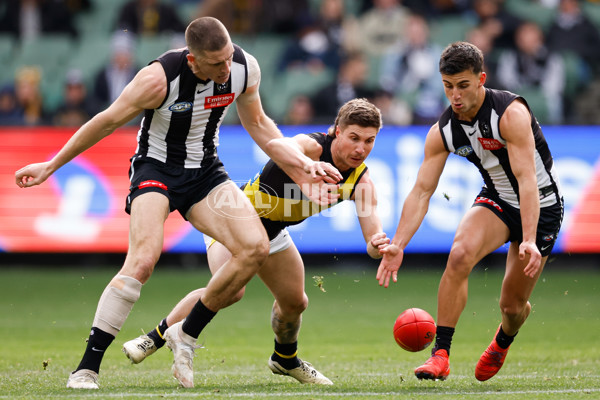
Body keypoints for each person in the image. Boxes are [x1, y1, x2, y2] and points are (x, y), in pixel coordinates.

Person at [15, 17, 341, 390]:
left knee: (255, 247)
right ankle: (86, 368)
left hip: (205, 173)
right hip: (156, 171)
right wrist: (51, 164)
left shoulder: (243, 67)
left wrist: (304, 164)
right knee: (143, 260)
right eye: (215, 63)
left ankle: (184, 335)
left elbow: (262, 127)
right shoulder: (157, 79)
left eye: (228, 57)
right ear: (193, 61)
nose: (225, 68)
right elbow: (105, 122)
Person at [121, 98, 389, 388]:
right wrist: (307, 166)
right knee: (232, 290)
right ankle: (155, 338)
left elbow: (372, 239)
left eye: (369, 141)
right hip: (232, 220)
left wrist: (379, 245)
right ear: (336, 131)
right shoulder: (313, 147)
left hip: (272, 233)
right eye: (354, 138)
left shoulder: (362, 182)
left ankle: (285, 358)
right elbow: (285, 145)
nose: (361, 148)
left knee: (295, 302)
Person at [376, 42, 563, 382]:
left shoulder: (510, 114)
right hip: (498, 199)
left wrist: (530, 239)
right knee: (459, 254)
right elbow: (421, 192)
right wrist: (398, 244)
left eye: (463, 85)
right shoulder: (443, 130)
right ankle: (441, 356)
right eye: (448, 86)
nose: (455, 95)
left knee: (512, 305)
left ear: (481, 79)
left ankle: (503, 340)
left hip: (541, 205)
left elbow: (527, 180)